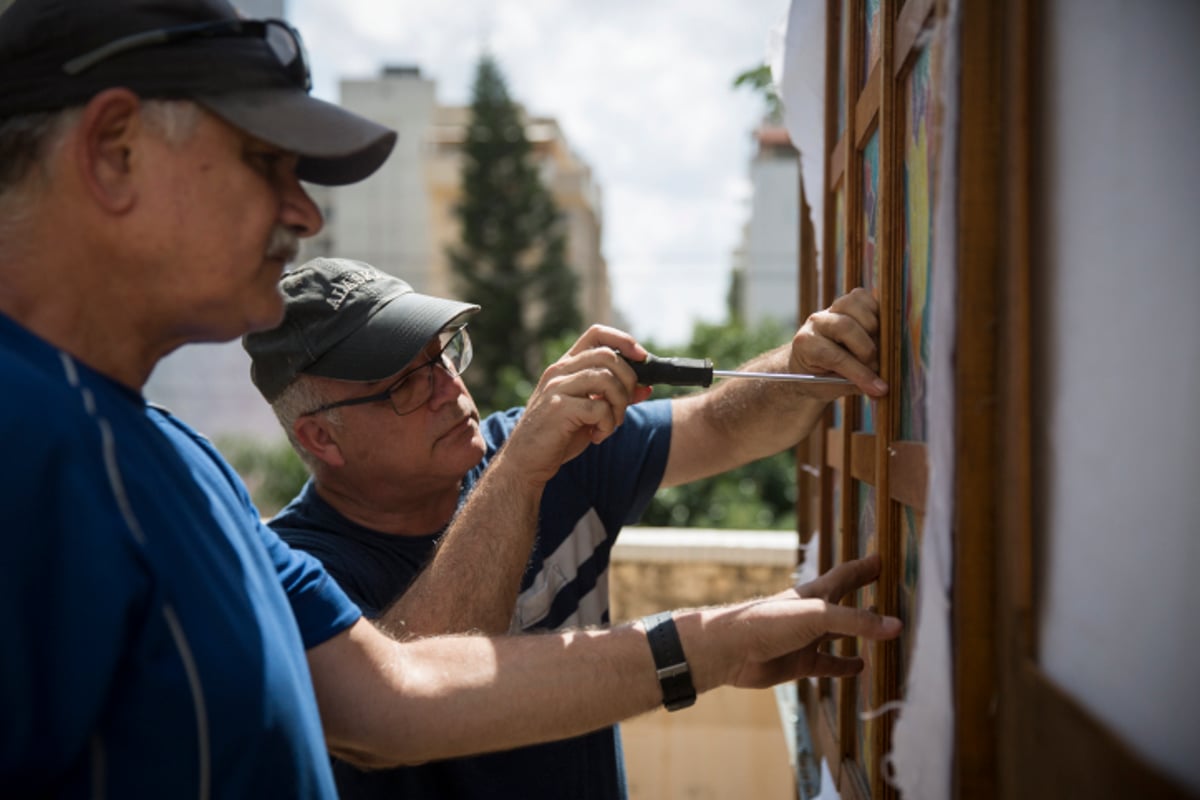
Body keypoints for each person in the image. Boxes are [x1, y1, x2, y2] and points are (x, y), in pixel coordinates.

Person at [0, 0, 901, 796]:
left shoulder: (178, 462)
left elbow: (391, 700)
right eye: (263, 159)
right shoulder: (32, 446)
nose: (304, 212)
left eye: (446, 354)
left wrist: (721, 642)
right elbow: (403, 685)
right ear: (114, 153)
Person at [243, 258, 888, 799]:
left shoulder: (544, 451)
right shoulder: (298, 575)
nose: (448, 387)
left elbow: (722, 426)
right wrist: (520, 472)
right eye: (405, 384)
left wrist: (803, 368)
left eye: (442, 355)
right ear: (320, 436)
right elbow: (419, 690)